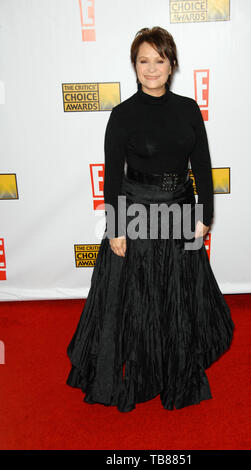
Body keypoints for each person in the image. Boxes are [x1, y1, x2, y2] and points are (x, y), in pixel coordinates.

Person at [66, 26, 235, 412]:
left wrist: (204, 215)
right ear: (135, 66)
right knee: (134, 301)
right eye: (144, 60)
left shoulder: (188, 109)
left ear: (171, 63)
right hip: (137, 214)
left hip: (179, 212)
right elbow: (111, 177)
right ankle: (139, 368)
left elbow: (203, 169)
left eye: (159, 60)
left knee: (177, 297)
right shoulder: (123, 115)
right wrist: (116, 228)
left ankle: (175, 366)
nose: (152, 68)